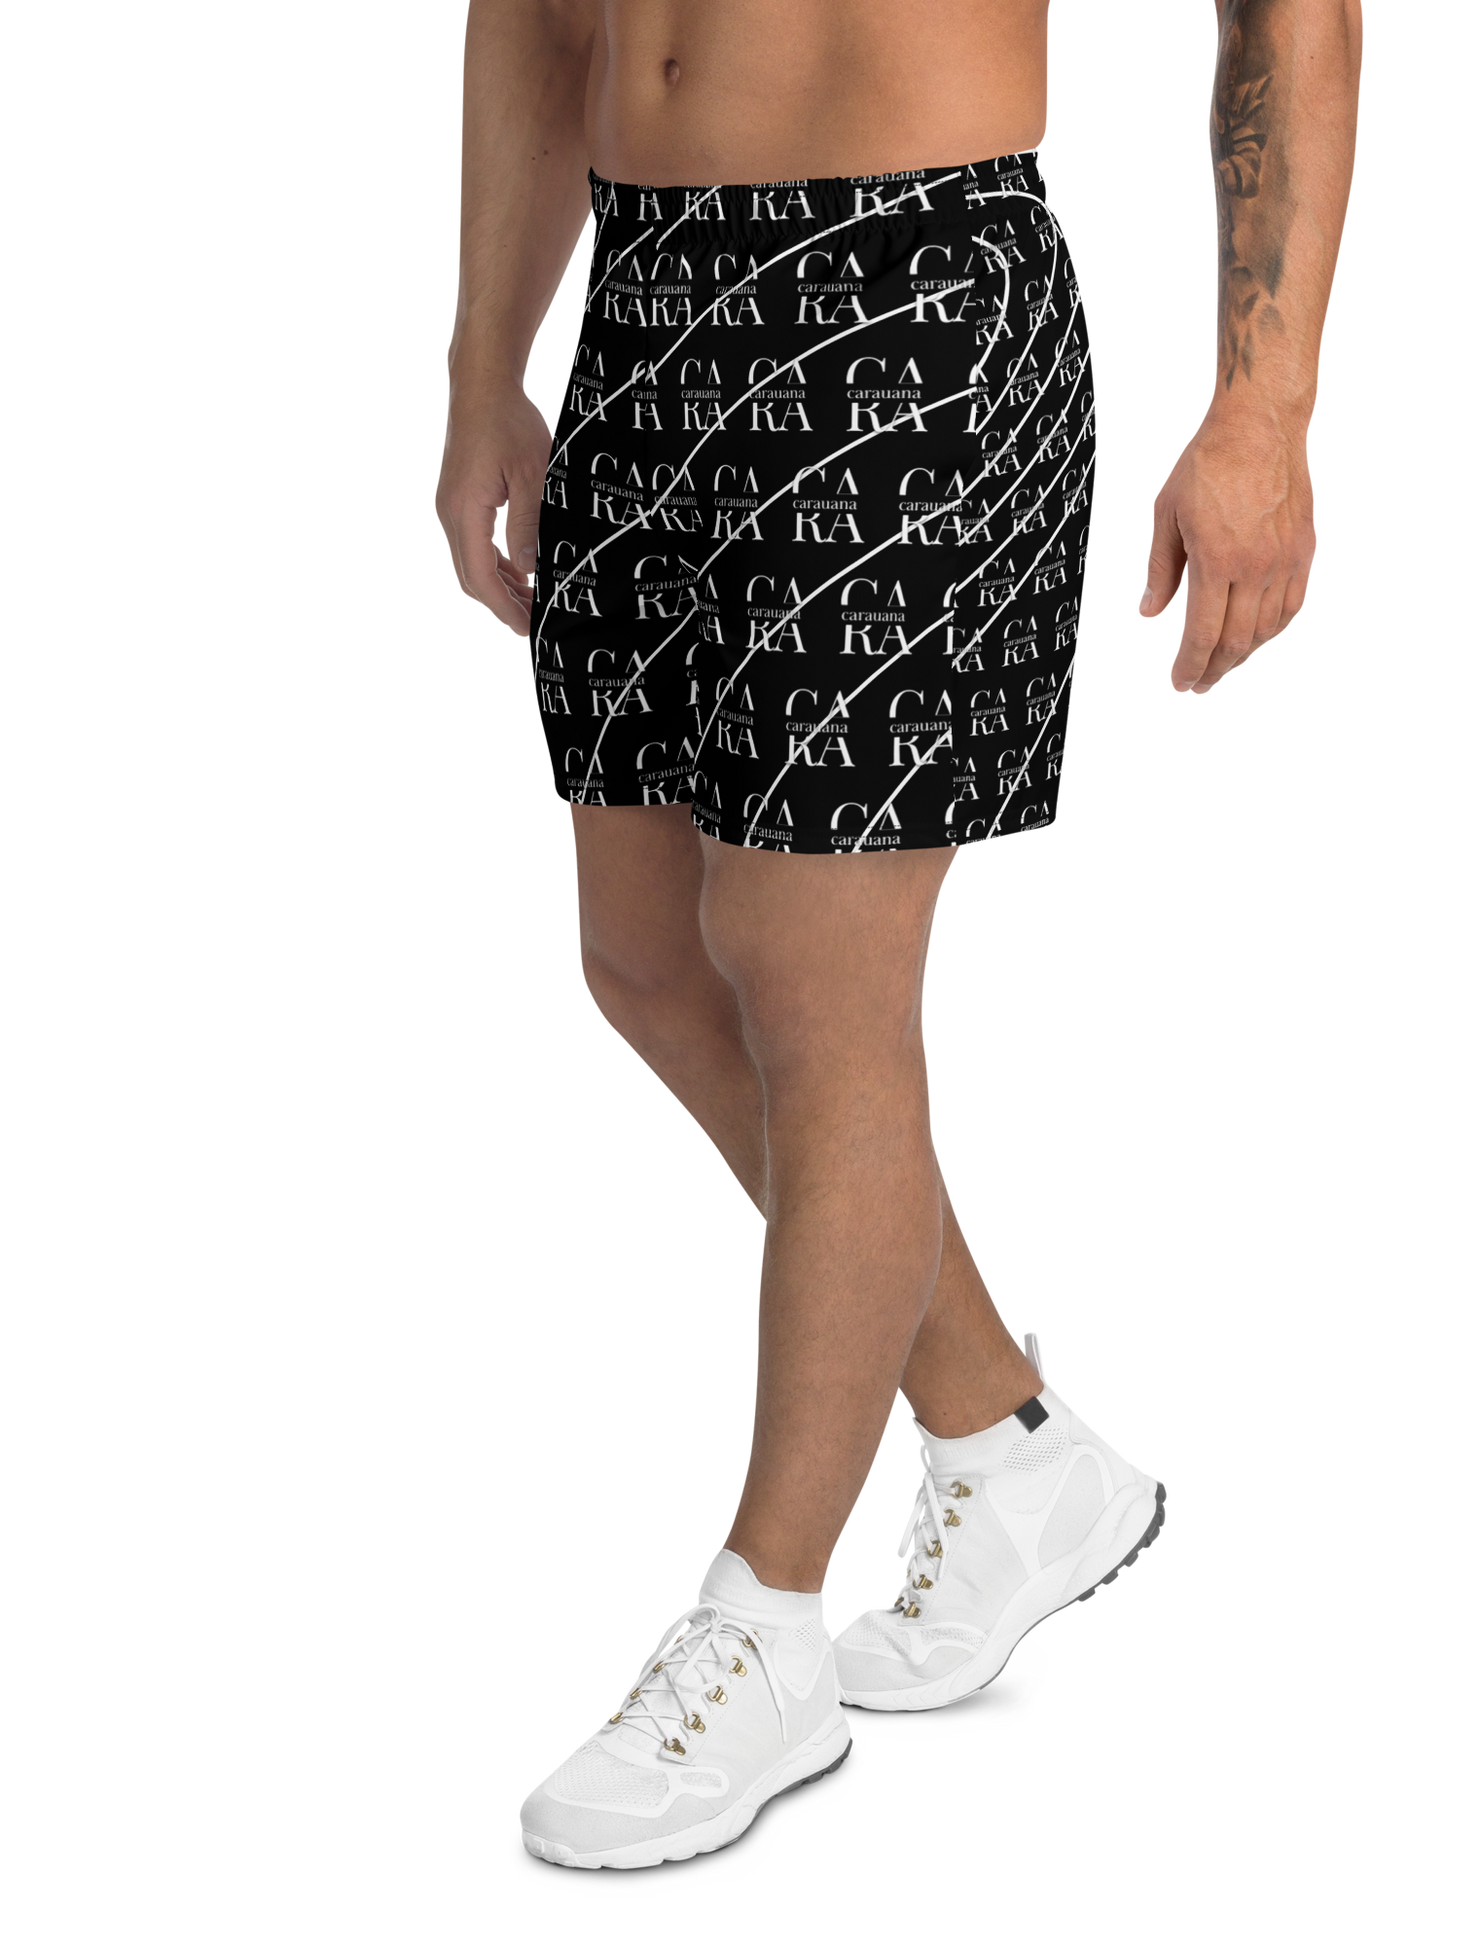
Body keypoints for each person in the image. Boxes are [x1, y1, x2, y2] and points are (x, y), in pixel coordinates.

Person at [435, 0, 1364, 1869]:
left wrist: (1264, 409)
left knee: (810, 975)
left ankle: (767, 1620)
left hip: (909, 289)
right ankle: (1008, 1453)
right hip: (642, 295)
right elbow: (535, 14)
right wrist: (482, 375)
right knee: (644, 961)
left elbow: (1293, 12)